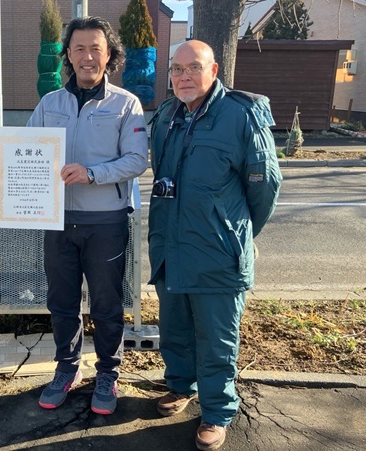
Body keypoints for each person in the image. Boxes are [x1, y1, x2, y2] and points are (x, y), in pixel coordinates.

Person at [0, 16, 148, 415]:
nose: (87, 56)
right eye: (79, 49)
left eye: (95, 49)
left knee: (106, 302)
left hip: (105, 221)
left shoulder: (126, 104)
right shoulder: (50, 103)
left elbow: (136, 160)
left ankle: (107, 372)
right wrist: (0, 170)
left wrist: (92, 174)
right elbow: (25, 149)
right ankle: (66, 367)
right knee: (61, 301)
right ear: (68, 56)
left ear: (109, 55)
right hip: (55, 220)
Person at [148, 40, 282, 450]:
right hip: (171, 246)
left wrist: (236, 233)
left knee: (217, 338)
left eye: (193, 67)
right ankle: (180, 385)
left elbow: (264, 187)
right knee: (175, 327)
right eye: (176, 69)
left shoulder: (241, 114)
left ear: (214, 69)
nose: (184, 76)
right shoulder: (166, 115)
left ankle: (217, 411)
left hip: (217, 252)